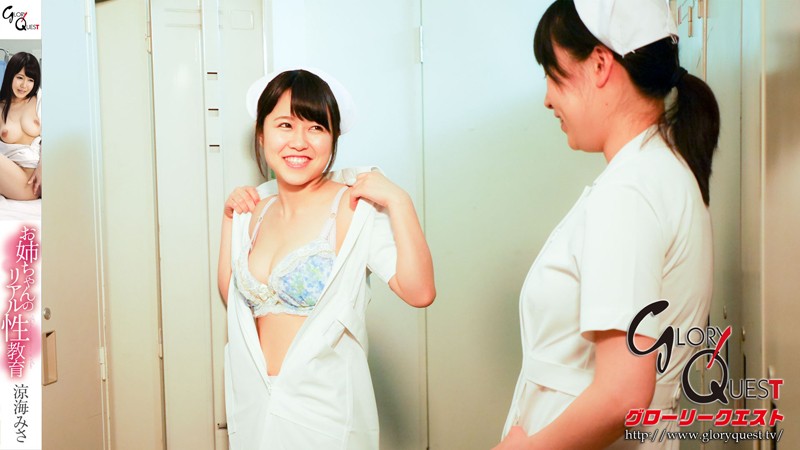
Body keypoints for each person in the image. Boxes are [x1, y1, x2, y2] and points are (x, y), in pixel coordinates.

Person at [495, 0, 719, 448]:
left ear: (600, 64)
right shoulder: (659, 171)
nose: (547, 98)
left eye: (552, 73)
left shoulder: (630, 191)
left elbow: (622, 396)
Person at [217, 68, 435, 449]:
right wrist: (229, 219)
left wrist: (400, 201)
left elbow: (420, 292)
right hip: (257, 411)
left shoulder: (354, 206)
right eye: (285, 125)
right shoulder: (255, 210)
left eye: (316, 127)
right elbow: (232, 300)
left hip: (325, 417)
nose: (299, 142)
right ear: (261, 133)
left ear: (333, 138)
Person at [0, 52, 42, 200]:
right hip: (16, 180)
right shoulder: (1, 107)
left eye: (30, 80)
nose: (24, 85)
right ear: (10, 76)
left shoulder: (39, 99)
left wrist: (42, 167)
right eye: (20, 77)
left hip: (38, 178)